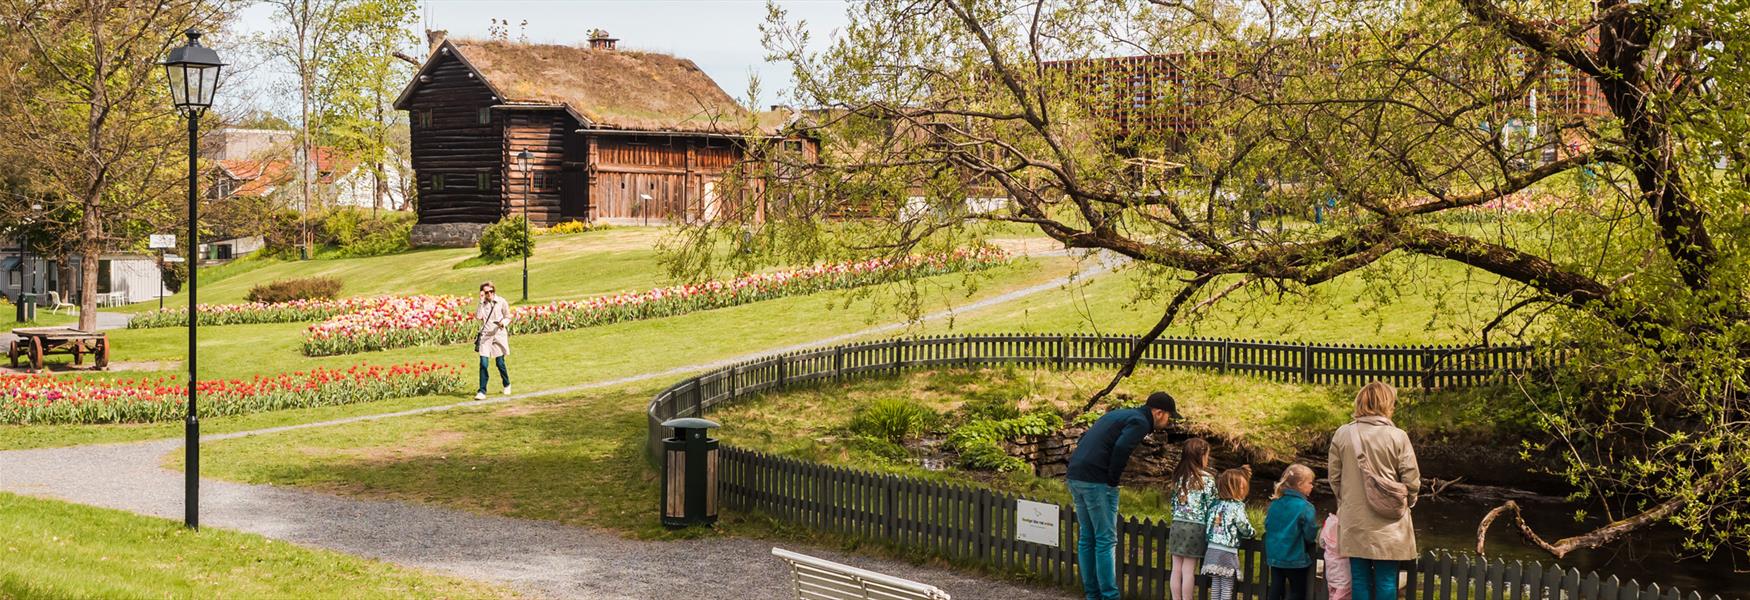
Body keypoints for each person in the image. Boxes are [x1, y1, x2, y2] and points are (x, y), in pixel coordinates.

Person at [1066, 391, 1182, 600]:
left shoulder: (1121, 414)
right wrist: (1112, 480)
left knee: (1087, 537)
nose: (1169, 421)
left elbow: (1086, 436)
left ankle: (1092, 594)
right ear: (1158, 412)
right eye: (1169, 416)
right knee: (1105, 539)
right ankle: (1110, 596)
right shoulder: (1140, 422)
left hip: (1076, 474)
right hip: (1096, 480)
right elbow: (1121, 447)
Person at [1328, 381, 1421, 600]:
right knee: (1387, 580)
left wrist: (1346, 501)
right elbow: (1411, 480)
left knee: (1359, 578)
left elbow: (1334, 478)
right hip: (1389, 522)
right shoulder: (1398, 436)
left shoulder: (1342, 434)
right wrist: (1410, 501)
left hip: (1354, 519)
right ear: (1386, 404)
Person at [1166, 438, 1216, 600]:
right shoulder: (1207, 479)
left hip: (1177, 525)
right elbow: (1211, 506)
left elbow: (1173, 504)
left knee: (1176, 569)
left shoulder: (1179, 477)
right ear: (1201, 456)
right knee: (1188, 570)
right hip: (1196, 528)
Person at [1264, 464, 1319, 600]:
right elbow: (1310, 533)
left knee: (1276, 588)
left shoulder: (1275, 503)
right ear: (1300, 484)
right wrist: (1310, 541)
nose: (1312, 486)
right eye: (1310, 483)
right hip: (1295, 558)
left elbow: (1267, 525)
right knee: (1297, 591)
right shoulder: (1306, 507)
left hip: (1275, 556)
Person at [1202, 466, 1256, 600]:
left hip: (1212, 547)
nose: (1244, 491)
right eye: (1242, 488)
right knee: (1227, 584)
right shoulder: (1236, 507)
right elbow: (1242, 524)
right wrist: (1251, 533)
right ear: (1235, 489)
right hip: (1227, 550)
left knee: (1216, 582)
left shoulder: (1214, 505)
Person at [474, 281, 512, 400]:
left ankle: (507, 384)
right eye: (486, 292)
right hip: (486, 336)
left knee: (500, 363)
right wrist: (480, 301)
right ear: (483, 293)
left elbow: (508, 316)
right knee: (483, 363)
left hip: (498, 334)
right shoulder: (482, 303)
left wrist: (503, 323)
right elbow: (479, 317)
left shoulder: (501, 301)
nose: (489, 294)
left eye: (491, 291)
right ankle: (482, 391)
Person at [1321, 513, 1352, 600]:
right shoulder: (1347, 523)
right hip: (1344, 572)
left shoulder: (1329, 521)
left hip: (1331, 569)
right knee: (1342, 595)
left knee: (1332, 593)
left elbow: (1321, 542)